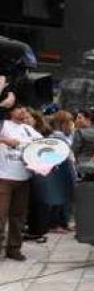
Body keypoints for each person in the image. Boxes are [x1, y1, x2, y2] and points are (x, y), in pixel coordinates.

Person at [0, 105, 43, 260]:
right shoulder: (3, 124)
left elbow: (43, 143)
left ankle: (14, 248)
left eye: (24, 109)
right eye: (18, 109)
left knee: (18, 216)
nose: (23, 111)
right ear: (11, 112)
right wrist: (5, 140)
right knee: (1, 215)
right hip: (4, 177)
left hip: (23, 178)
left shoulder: (27, 129)